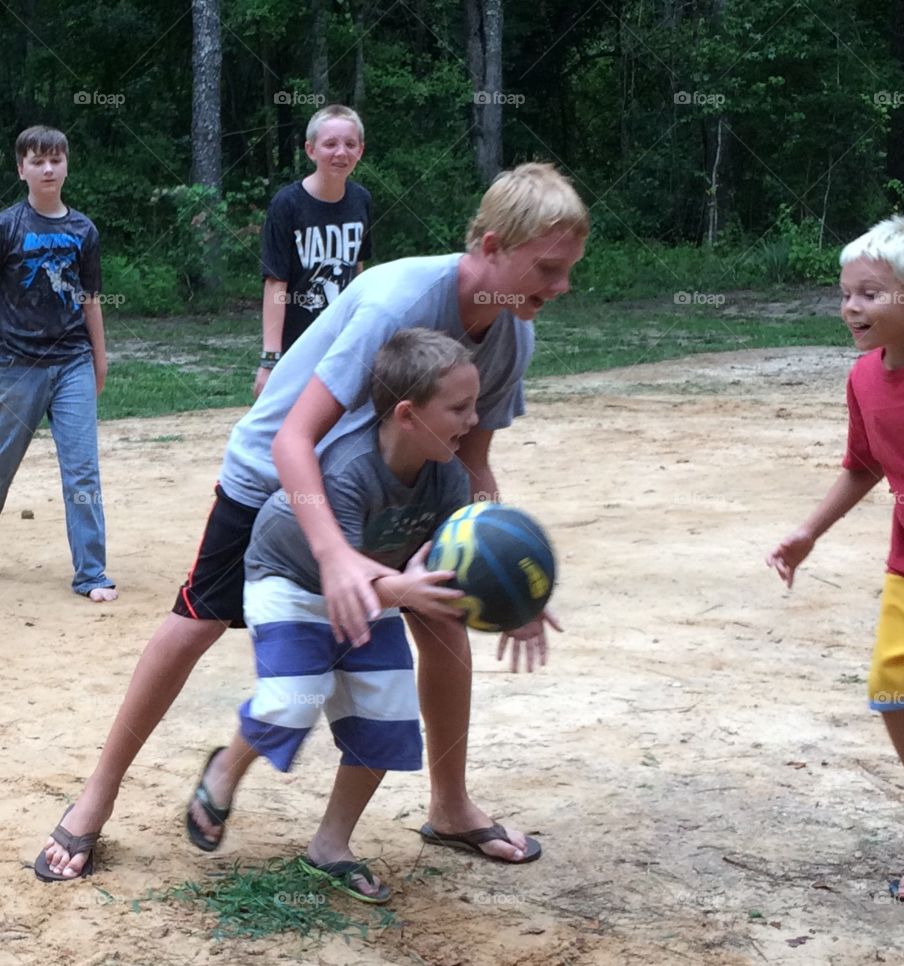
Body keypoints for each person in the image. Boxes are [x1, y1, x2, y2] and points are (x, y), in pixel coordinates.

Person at [36, 161, 588, 881]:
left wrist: (509, 578)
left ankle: (449, 806)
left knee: (445, 617)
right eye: (548, 268)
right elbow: (296, 438)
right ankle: (94, 802)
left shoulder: (513, 335)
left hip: (396, 484)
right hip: (277, 477)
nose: (561, 287)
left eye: (568, 269)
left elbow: (474, 463)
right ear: (490, 248)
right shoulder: (400, 299)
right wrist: (334, 556)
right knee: (198, 620)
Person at [193, 329, 479, 902]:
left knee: (387, 714)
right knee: (292, 697)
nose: (474, 421)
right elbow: (345, 574)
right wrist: (409, 592)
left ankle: (331, 846)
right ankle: (225, 769)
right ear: (408, 414)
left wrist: (516, 606)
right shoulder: (348, 468)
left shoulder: (448, 474)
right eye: (459, 407)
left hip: (377, 588)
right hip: (292, 579)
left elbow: (461, 558)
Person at [765, 215, 904, 943]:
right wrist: (807, 533)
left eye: (870, 294)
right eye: (846, 294)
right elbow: (863, 466)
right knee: (896, 698)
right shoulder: (863, 379)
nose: (851, 307)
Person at [0, 125, 116, 603]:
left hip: (72, 361)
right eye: (37, 160)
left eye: (56, 159)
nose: (48, 168)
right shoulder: (7, 226)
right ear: (21, 168)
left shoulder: (82, 230)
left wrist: (99, 359)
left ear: (67, 164)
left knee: (82, 471)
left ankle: (91, 574)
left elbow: (91, 298)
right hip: (16, 363)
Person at [255, 104, 371, 398]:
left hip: (343, 342)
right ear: (310, 150)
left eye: (350, 144)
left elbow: (357, 271)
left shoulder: (361, 201)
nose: (341, 152)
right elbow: (275, 282)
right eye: (330, 144)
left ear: (361, 150)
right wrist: (270, 360)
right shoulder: (287, 205)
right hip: (298, 344)